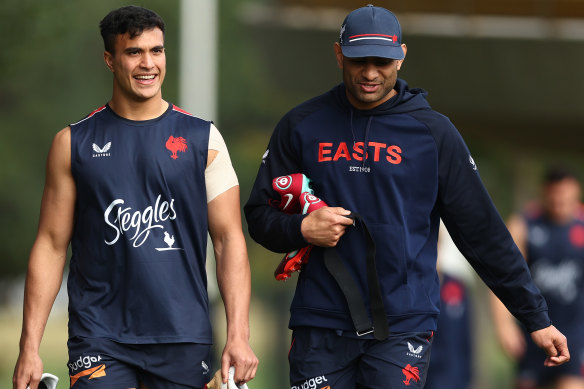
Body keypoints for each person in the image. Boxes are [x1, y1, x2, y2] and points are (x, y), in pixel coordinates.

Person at [244, 5, 569, 389]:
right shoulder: (301, 126)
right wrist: (302, 228)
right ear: (338, 54)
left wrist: (536, 317)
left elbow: (482, 233)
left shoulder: (433, 134)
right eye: (358, 60)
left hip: (402, 328)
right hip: (320, 324)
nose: (369, 73)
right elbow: (259, 216)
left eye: (382, 61)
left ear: (402, 57)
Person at [12, 6, 258, 389]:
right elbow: (50, 245)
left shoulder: (204, 140)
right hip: (99, 336)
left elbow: (229, 240)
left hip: (183, 335)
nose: (148, 63)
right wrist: (29, 346)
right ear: (110, 59)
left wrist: (239, 336)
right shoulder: (72, 144)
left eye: (156, 51)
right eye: (134, 52)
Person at [491, 167, 584, 389]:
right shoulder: (524, 224)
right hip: (534, 330)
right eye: (555, 193)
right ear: (544, 192)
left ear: (576, 192)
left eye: (565, 194)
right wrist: (504, 325)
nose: (559, 199)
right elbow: (503, 276)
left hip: (576, 332)